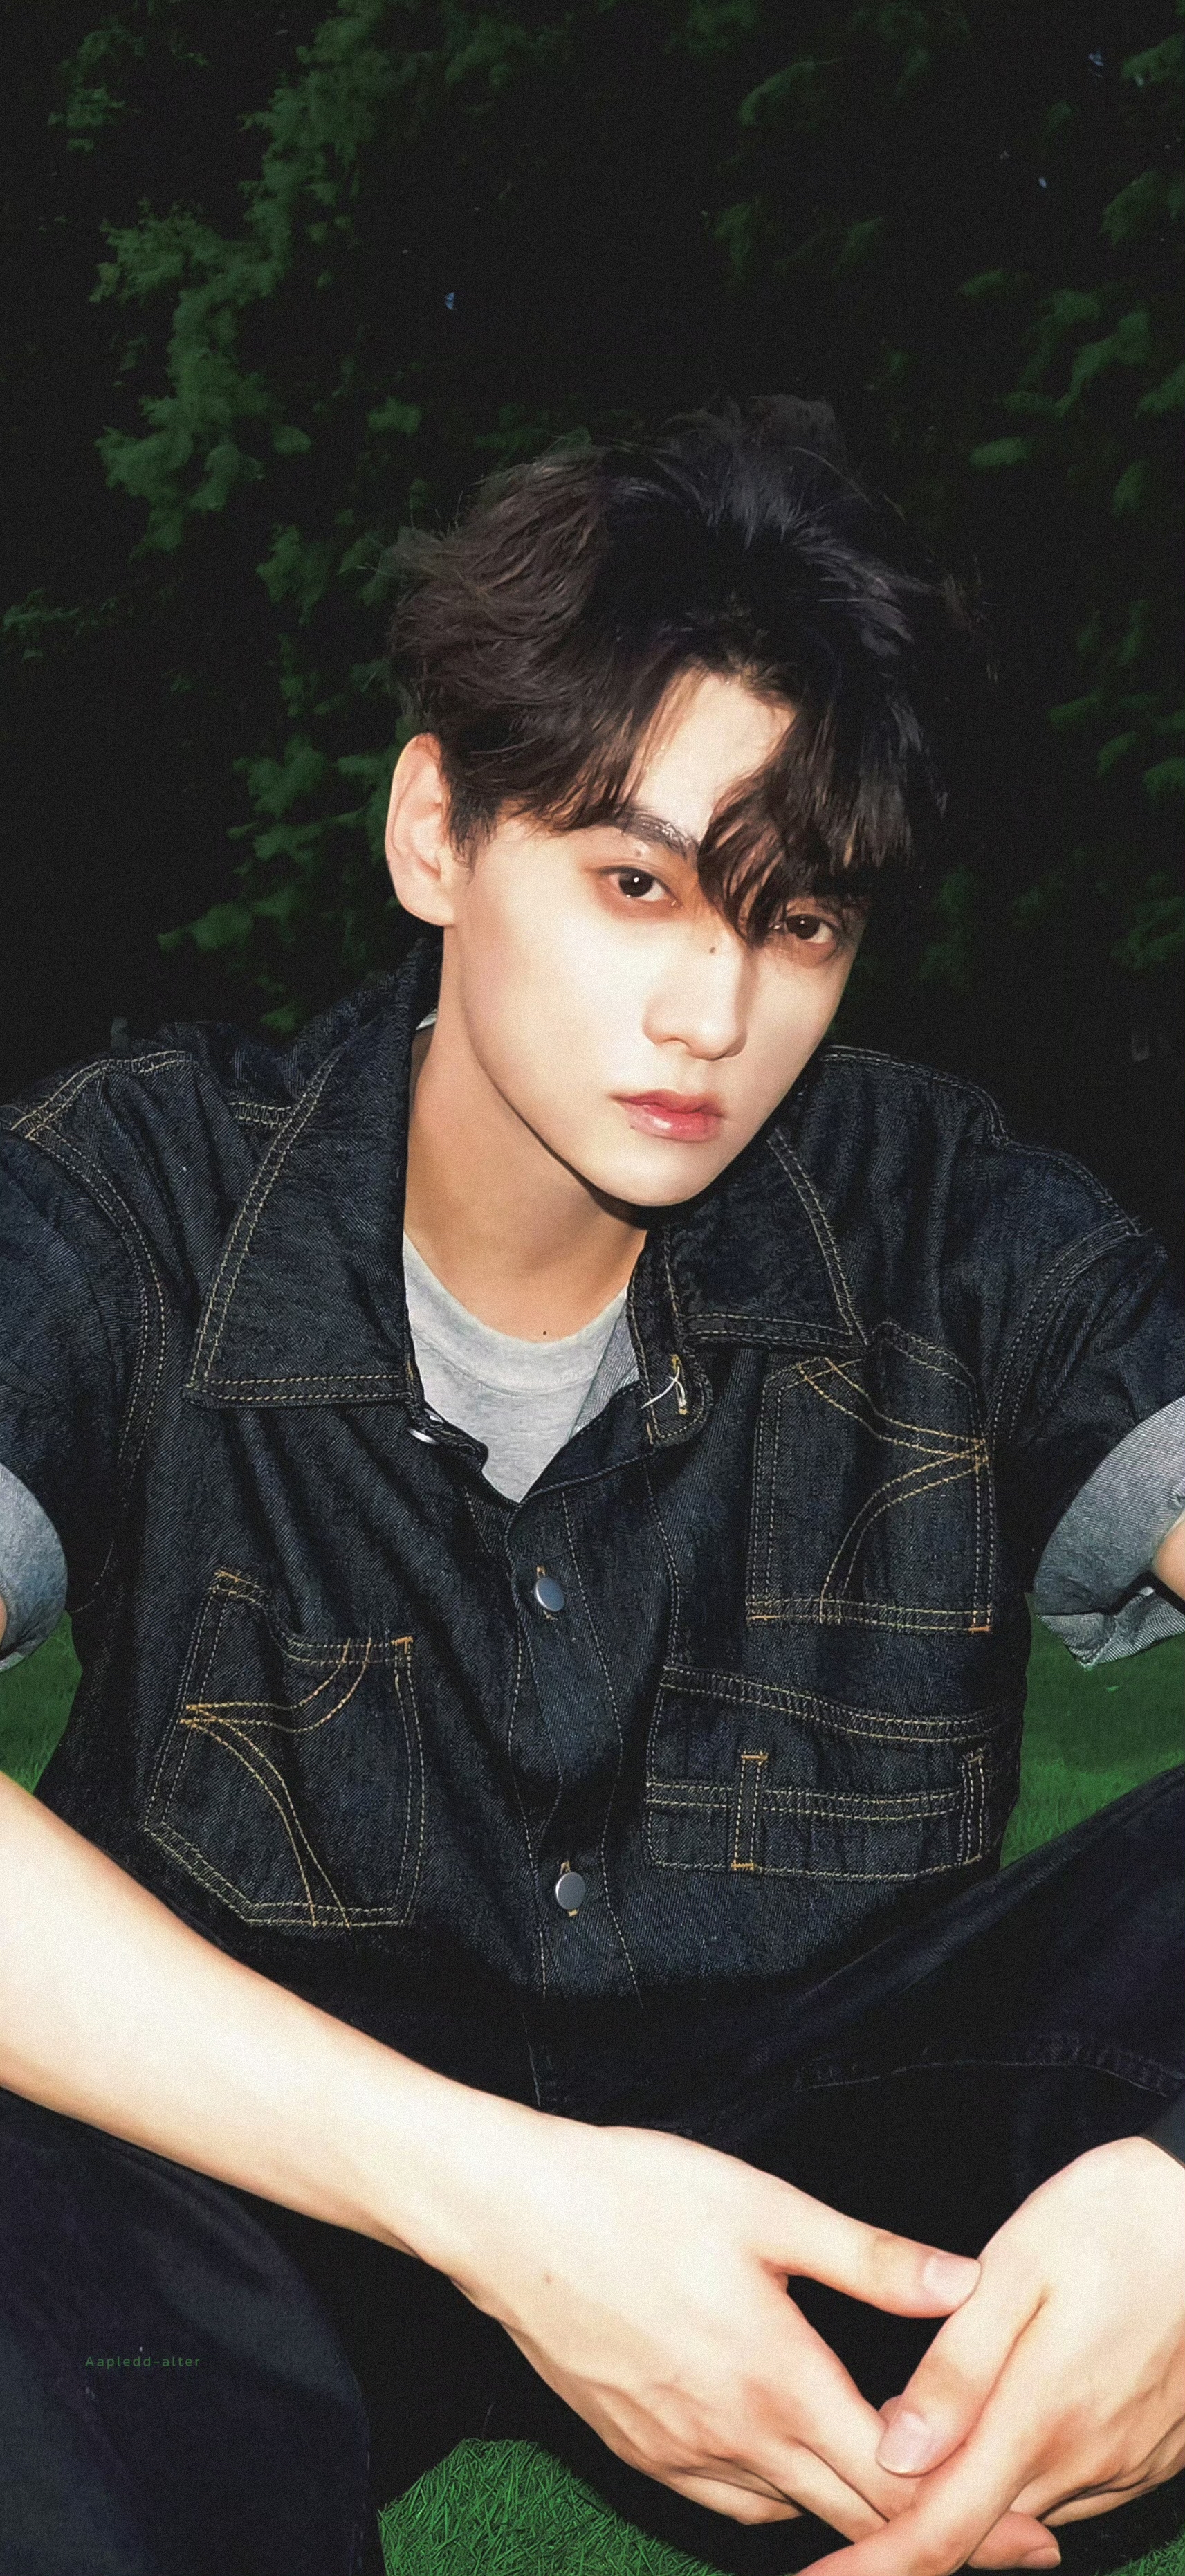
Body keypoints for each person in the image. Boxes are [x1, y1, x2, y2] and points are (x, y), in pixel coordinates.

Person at [0, 401, 1182, 2576]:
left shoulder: (947, 1216)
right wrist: (506, 2201)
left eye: (794, 920)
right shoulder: (138, 1199)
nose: (709, 1008)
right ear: (432, 834)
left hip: (821, 2193)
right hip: (255, 2172)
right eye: (633, 882)